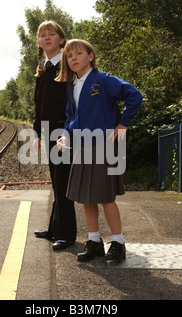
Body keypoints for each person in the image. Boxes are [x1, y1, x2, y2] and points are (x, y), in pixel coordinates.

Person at [56, 39, 143, 263]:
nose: (73, 58)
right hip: (81, 144)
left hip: (103, 144)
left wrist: (123, 124)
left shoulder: (103, 80)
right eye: (69, 55)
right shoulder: (71, 85)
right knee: (86, 197)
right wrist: (65, 136)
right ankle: (94, 241)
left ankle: (118, 243)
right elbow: (70, 117)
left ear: (91, 56)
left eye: (78, 53)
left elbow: (134, 96)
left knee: (105, 197)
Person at [32, 21, 77, 251]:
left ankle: (66, 234)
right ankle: (54, 228)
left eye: (52, 34)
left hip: (65, 133)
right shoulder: (44, 68)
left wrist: (68, 131)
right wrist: (37, 132)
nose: (47, 37)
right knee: (56, 181)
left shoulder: (68, 66)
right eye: (43, 35)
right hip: (50, 132)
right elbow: (38, 104)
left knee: (62, 182)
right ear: (39, 42)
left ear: (61, 39)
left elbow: (74, 101)